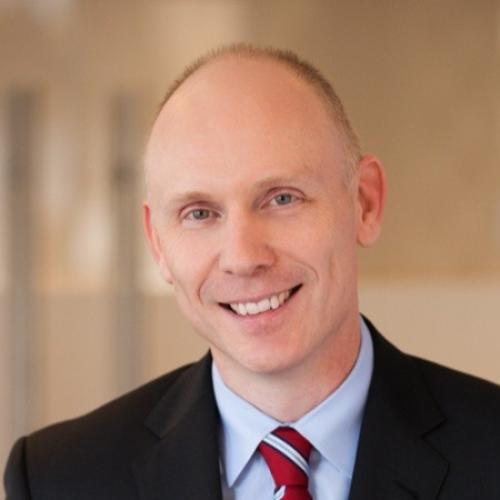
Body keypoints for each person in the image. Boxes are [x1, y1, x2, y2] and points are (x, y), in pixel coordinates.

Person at [4, 44, 500, 500]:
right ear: (157, 242)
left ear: (364, 203)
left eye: (282, 199)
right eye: (200, 213)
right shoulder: (57, 480)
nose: (243, 257)